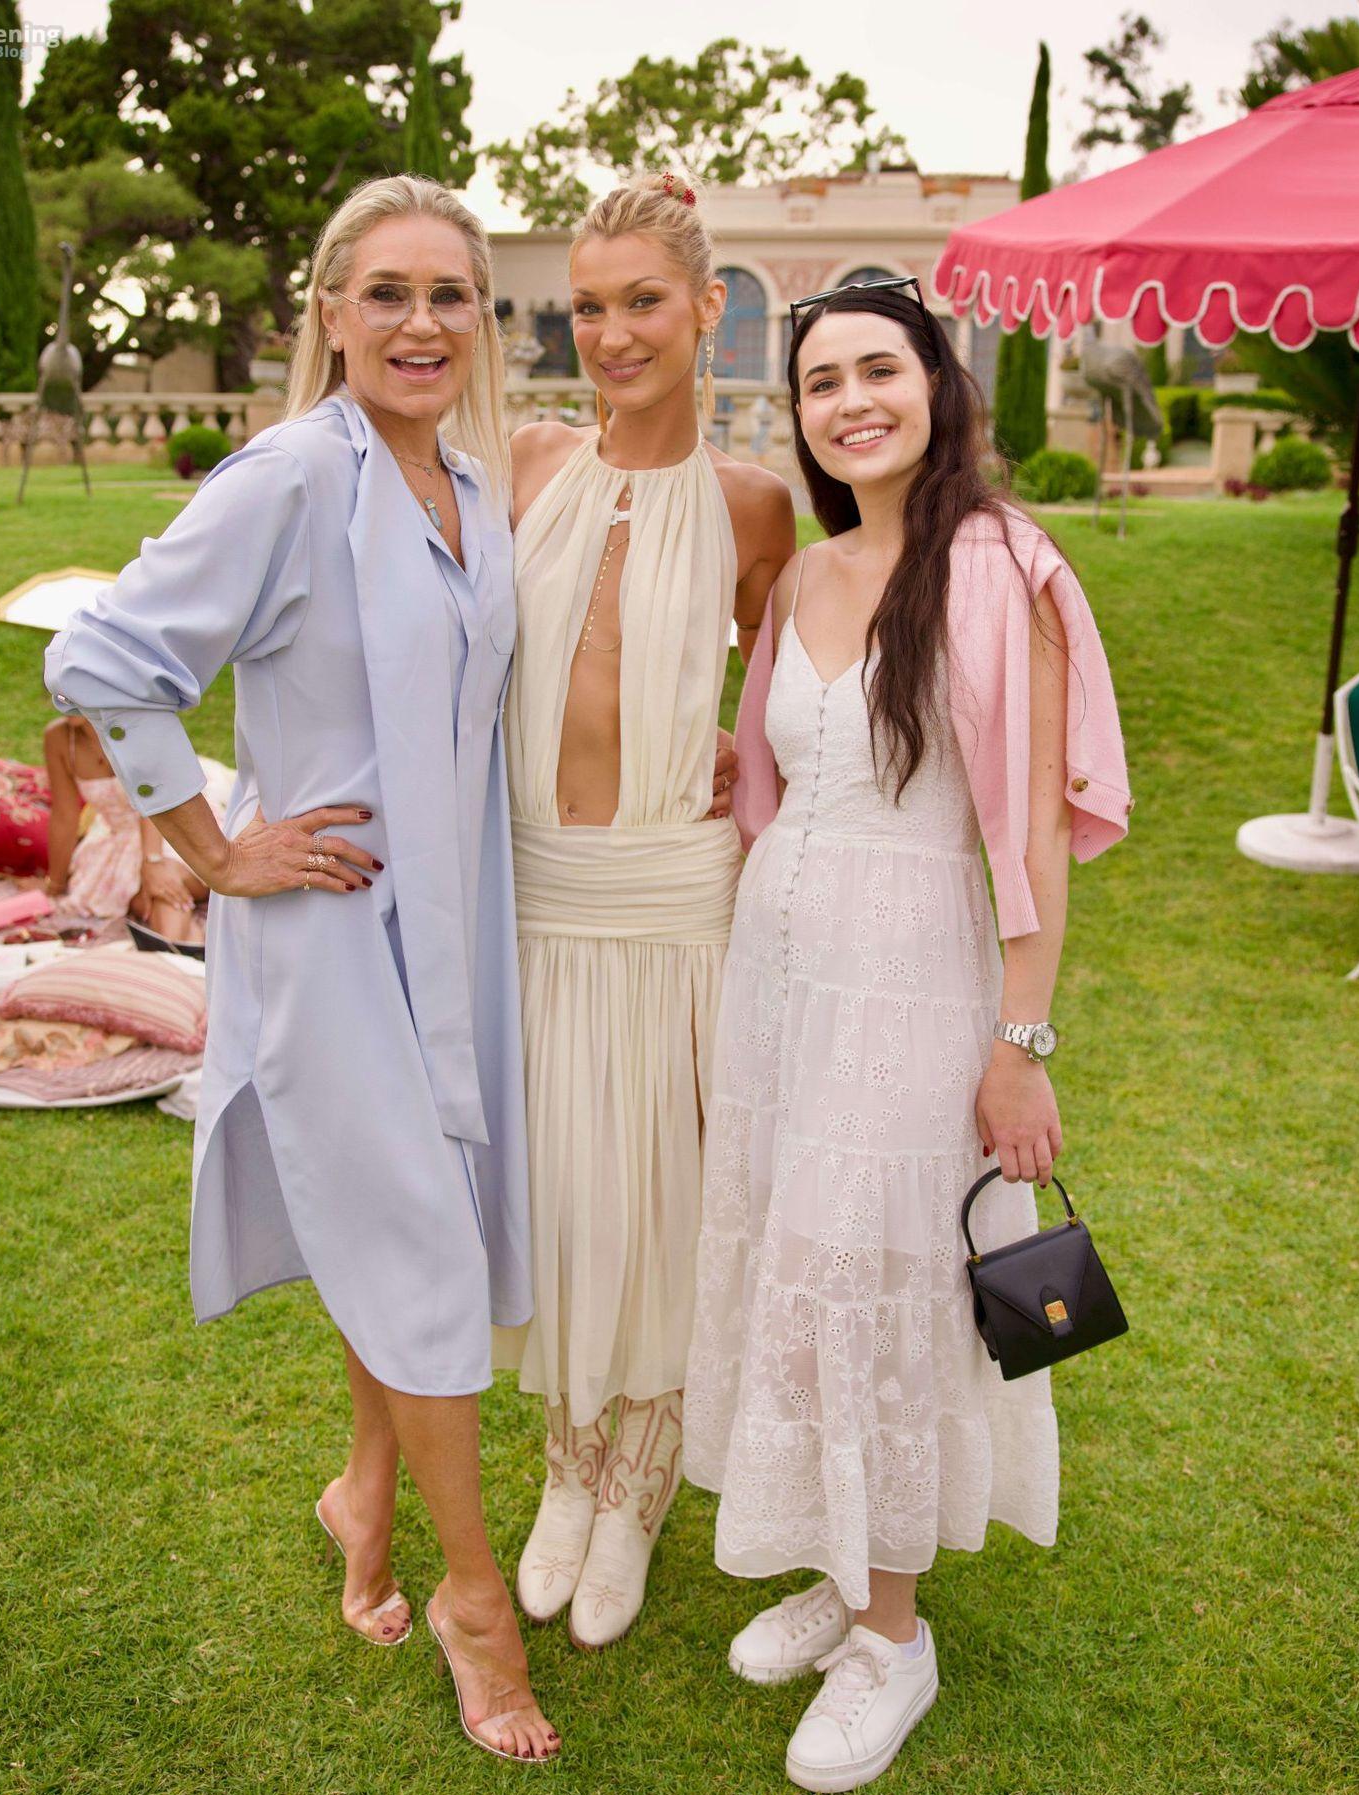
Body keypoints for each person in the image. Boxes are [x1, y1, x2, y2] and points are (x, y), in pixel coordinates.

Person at [43, 174, 559, 1763]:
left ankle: (365, 1493)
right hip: (333, 928)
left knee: (415, 1222)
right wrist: (211, 850)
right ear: (330, 313)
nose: (421, 323)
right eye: (386, 292)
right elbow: (104, 658)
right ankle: (476, 1596)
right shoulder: (287, 475)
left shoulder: (464, 482)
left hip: (452, 920)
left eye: (449, 294)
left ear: (481, 318)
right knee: (422, 1246)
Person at [683, 280, 1132, 1792]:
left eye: (879, 368)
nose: (850, 401)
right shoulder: (803, 578)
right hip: (779, 978)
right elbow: (777, 784)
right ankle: (841, 1562)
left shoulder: (1004, 568)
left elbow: (1036, 834)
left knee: (877, 1274)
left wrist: (1020, 1040)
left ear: (938, 384)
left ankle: (894, 1637)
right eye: (820, 382)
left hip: (916, 975)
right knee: (796, 1258)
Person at [499, 171, 795, 1650]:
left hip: (680, 904)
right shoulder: (524, 462)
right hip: (539, 894)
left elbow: (797, 706)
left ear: (706, 308)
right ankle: (568, 1465)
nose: (611, 334)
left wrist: (732, 750)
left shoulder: (756, 507)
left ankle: (640, 1481)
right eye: (588, 307)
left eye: (642, 303)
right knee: (564, 1193)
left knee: (670, 1197)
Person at [43, 713, 207, 938]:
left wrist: (153, 862)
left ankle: (172, 947)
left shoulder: (137, 723)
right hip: (117, 841)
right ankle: (187, 946)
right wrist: (56, 884)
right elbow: (65, 815)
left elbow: (156, 800)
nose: (64, 699)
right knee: (144, 899)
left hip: (168, 822)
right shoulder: (60, 737)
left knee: (165, 881)